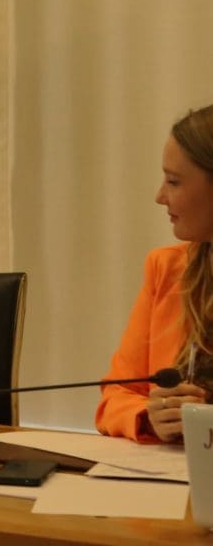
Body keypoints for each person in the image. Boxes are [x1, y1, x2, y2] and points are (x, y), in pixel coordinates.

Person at [97, 104, 213, 443]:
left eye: (174, 182)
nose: (160, 196)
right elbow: (116, 396)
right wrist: (149, 417)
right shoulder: (166, 268)